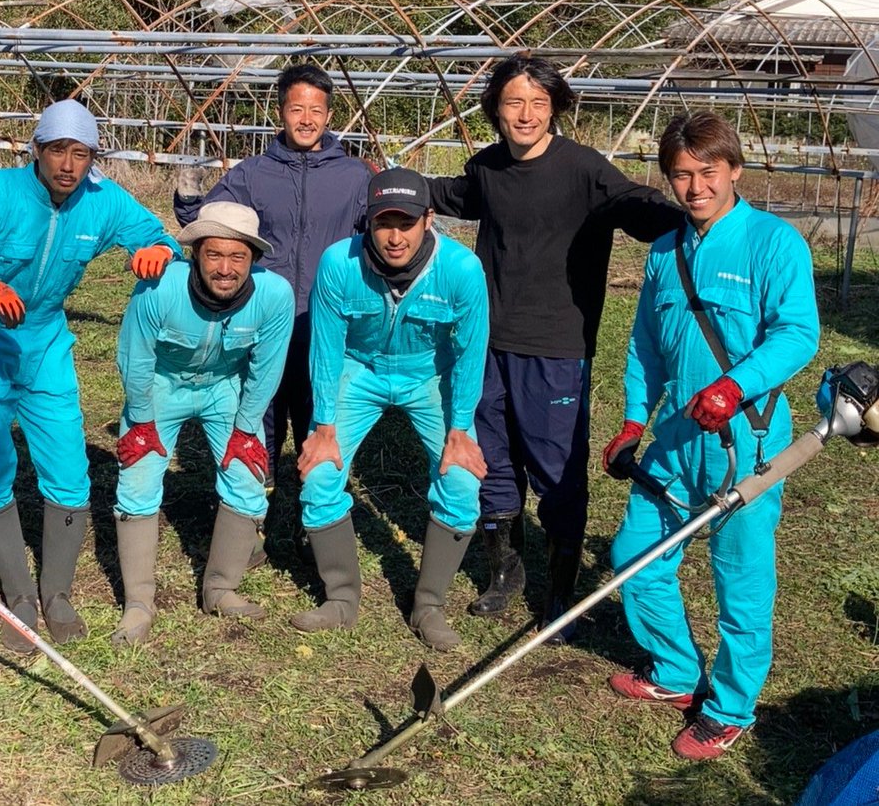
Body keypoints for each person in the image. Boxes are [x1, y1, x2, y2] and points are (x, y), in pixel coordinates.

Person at [425, 53, 684, 642]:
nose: (526, 114)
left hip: (555, 343)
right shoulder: (487, 168)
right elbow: (452, 193)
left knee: (557, 465)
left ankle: (560, 595)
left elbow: (630, 203)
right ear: (495, 108)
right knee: (490, 453)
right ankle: (504, 572)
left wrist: (679, 212)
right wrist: (387, 181)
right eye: (514, 102)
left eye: (538, 103)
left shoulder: (584, 170)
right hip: (487, 341)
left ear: (555, 109)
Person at [602, 111, 818, 759]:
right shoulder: (666, 254)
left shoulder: (774, 243)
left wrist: (736, 385)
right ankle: (673, 671)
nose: (694, 186)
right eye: (680, 175)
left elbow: (797, 333)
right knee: (634, 556)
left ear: (734, 171)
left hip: (747, 438)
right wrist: (636, 418)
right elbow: (646, 346)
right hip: (676, 435)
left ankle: (728, 708)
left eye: (707, 172)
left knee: (740, 578)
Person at [0, 99, 179, 653]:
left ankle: (58, 592)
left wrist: (157, 250)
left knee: (69, 466)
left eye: (80, 153)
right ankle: (19, 595)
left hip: (46, 342)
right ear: (36, 150)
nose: (68, 165)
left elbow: (152, 230)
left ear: (93, 157)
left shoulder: (101, 201)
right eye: (57, 151)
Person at [175, 63, 371, 560]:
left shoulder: (353, 176)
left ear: (329, 115)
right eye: (296, 108)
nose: (306, 119)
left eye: (316, 110)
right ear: (281, 112)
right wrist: (187, 199)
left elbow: (386, 234)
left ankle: (315, 521)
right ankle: (250, 521)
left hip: (328, 325)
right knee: (258, 416)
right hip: (264, 323)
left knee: (319, 420)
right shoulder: (253, 174)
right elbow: (212, 222)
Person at [291, 167, 489, 652]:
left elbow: (469, 351)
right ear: (367, 223)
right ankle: (341, 596)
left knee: (461, 482)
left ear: (429, 219)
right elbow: (326, 350)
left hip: (429, 374)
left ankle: (429, 604)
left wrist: (461, 428)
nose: (394, 237)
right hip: (359, 371)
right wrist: (323, 425)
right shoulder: (340, 264)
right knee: (319, 474)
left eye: (406, 222)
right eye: (383, 223)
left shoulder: (461, 270)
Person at [111, 202, 294, 646]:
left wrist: (246, 427)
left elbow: (266, 368)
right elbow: (135, 357)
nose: (226, 269)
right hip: (161, 384)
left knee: (248, 478)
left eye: (238, 257)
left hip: (222, 387)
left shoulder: (276, 296)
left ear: (253, 258)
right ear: (194, 253)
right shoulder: (158, 289)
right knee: (137, 480)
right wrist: (141, 421)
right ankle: (139, 602)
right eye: (215, 255)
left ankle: (221, 588)